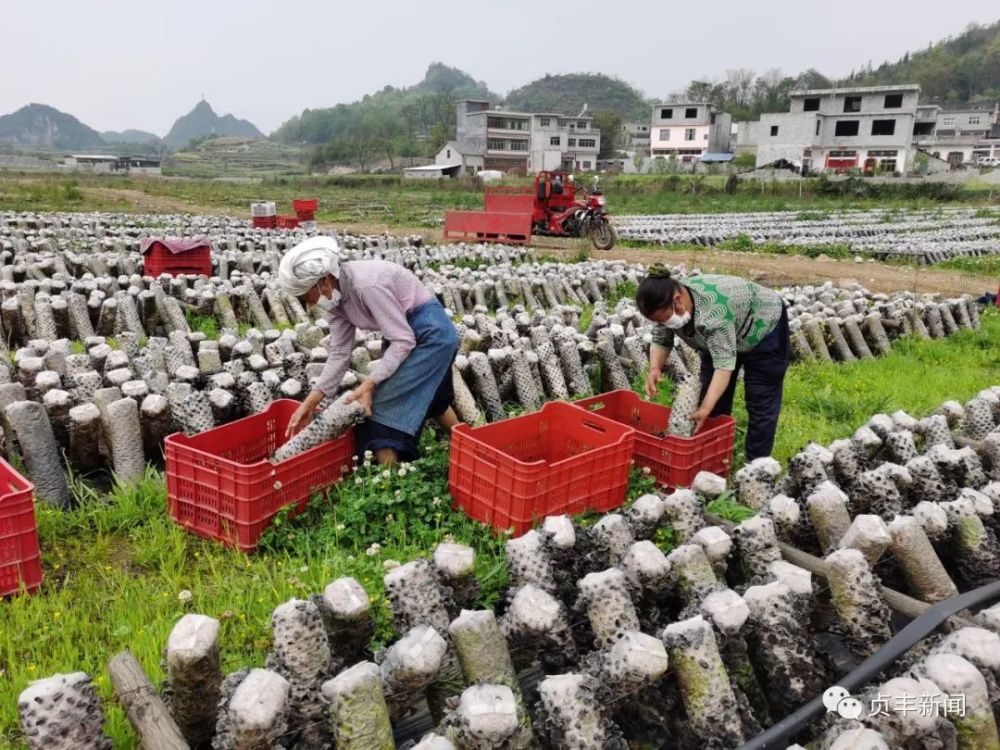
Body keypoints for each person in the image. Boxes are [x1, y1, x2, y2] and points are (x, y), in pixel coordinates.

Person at [277, 236, 460, 465]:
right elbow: (340, 354)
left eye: (306, 297)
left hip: (431, 336)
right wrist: (309, 403)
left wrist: (368, 385)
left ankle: (389, 485)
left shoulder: (366, 286)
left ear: (323, 281)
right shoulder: (335, 301)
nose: (310, 304)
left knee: (380, 407)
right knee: (435, 398)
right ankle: (471, 445)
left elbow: (403, 341)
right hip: (406, 332)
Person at [636, 265, 790, 461]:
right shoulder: (666, 305)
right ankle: (712, 457)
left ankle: (756, 466)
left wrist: (705, 408)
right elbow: (660, 339)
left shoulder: (713, 313)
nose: (666, 324)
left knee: (760, 399)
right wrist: (655, 368)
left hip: (762, 324)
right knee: (713, 401)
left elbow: (723, 367)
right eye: (660, 321)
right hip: (722, 333)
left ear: (678, 301)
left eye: (666, 319)